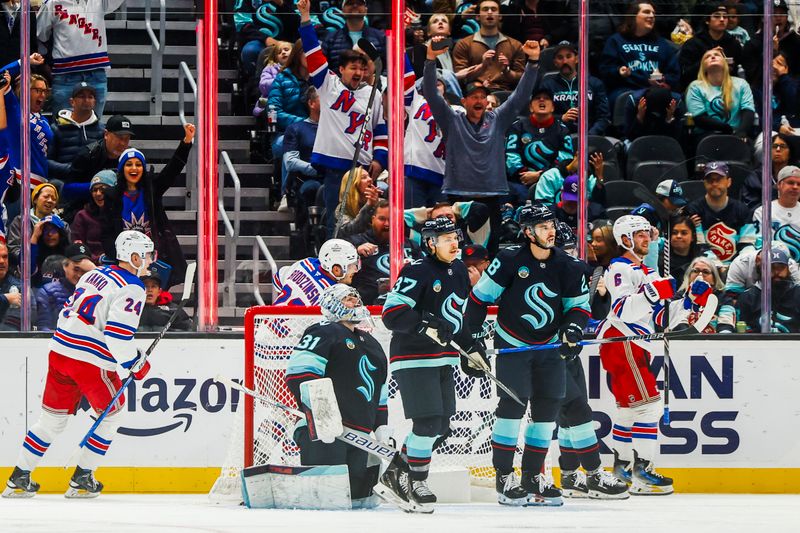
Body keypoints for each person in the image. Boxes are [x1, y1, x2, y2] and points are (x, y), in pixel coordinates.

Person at [2, 231, 153, 498]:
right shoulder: (133, 287)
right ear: (133, 256)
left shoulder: (94, 274)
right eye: (147, 254)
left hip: (60, 351)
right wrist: (135, 363)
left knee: (50, 421)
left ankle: (18, 478)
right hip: (90, 360)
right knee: (112, 416)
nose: (150, 259)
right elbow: (117, 337)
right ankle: (82, 480)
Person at [464, 203, 591, 506]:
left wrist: (573, 329)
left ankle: (533, 475)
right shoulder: (509, 260)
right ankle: (504, 476)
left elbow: (579, 308)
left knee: (547, 411)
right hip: (513, 345)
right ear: (527, 232)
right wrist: (470, 341)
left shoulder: (568, 265)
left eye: (552, 225)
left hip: (549, 348)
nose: (551, 231)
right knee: (512, 407)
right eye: (544, 226)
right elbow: (479, 299)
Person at [597, 215, 708, 495]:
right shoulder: (620, 267)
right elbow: (623, 309)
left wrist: (688, 301)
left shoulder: (644, 270)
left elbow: (659, 317)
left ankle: (622, 470)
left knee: (628, 409)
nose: (647, 239)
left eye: (648, 234)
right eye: (640, 234)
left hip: (632, 342)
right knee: (649, 407)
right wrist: (654, 291)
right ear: (625, 239)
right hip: (623, 339)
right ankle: (642, 472)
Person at [379, 216, 472, 508]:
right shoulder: (416, 270)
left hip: (443, 357)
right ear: (430, 243)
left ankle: (397, 472)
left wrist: (472, 346)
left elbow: (459, 315)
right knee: (429, 422)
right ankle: (416, 480)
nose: (454, 242)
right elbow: (391, 314)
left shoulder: (458, 269)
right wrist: (424, 323)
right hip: (413, 355)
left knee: (442, 426)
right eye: (446, 239)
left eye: (455, 236)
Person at [425, 34, 541, 253]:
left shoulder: (497, 119)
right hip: (458, 198)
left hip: (491, 197)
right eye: (474, 96)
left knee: (490, 253)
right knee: (453, 252)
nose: (479, 100)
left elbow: (520, 97)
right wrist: (430, 60)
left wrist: (533, 63)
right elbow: (431, 94)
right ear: (463, 101)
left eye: (482, 97)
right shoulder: (451, 119)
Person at [285, 283, 388, 508]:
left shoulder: (373, 343)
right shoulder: (323, 330)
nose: (356, 302)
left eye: (357, 297)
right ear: (332, 304)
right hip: (324, 434)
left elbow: (380, 390)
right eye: (348, 299)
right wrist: (321, 418)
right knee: (324, 504)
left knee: (360, 503)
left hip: (359, 438)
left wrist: (382, 427)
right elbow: (299, 374)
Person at [551, 222, 630, 501]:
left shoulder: (579, 270)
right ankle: (594, 474)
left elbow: (594, 312)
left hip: (568, 351)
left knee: (569, 415)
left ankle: (570, 475)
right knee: (576, 409)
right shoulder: (544, 272)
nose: (569, 253)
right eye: (564, 248)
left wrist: (602, 294)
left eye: (570, 247)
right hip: (547, 353)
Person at [297, 0, 387, 237]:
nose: (358, 72)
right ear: (341, 70)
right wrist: (305, 19)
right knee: (336, 220)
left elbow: (380, 129)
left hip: (363, 168)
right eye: (352, 68)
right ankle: (331, 265)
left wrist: (379, 159)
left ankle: (360, 266)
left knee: (364, 220)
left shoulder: (373, 93)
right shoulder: (329, 85)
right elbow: (314, 55)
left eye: (361, 68)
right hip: (336, 165)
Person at [100, 123, 196, 286]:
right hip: (124, 258)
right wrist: (118, 256)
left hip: (153, 255)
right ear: (122, 169)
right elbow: (107, 232)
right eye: (129, 164)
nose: (134, 168)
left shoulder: (153, 189)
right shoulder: (111, 195)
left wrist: (186, 142)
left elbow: (173, 169)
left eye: (138, 164)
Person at [36, 0, 125, 117]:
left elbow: (42, 35)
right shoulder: (52, 2)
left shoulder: (99, 1)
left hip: (95, 74)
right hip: (66, 75)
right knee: (63, 128)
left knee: (94, 129)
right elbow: (40, 34)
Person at [598, 2, 680, 108]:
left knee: (675, 99)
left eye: (653, 13)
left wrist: (661, 78)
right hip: (626, 89)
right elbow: (605, 70)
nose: (651, 16)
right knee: (631, 100)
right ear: (633, 16)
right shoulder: (616, 40)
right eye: (646, 12)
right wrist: (619, 72)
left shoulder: (662, 44)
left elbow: (674, 74)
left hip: (656, 91)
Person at [505, 87, 574, 204]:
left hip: (552, 182)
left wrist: (541, 175)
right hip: (521, 181)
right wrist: (525, 175)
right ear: (531, 107)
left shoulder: (562, 130)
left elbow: (565, 160)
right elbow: (511, 156)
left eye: (546, 98)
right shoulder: (517, 127)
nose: (542, 100)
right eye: (537, 98)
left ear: (553, 107)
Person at [62, 115, 134, 222]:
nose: (123, 143)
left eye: (126, 139)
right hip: (85, 210)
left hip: (119, 213)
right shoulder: (88, 154)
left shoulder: (131, 159)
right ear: (106, 134)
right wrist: (98, 187)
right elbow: (67, 189)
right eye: (119, 138)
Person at [347, 200, 420, 305]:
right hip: (368, 305)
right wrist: (355, 252)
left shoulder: (411, 245)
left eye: (391, 219)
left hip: (405, 302)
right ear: (373, 220)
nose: (387, 224)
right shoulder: (357, 242)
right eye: (382, 219)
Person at [685, 161, 756, 265]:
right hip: (705, 266)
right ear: (704, 183)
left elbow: (747, 244)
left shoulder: (742, 210)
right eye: (710, 180)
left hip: (736, 266)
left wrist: (736, 266)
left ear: (729, 182)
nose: (714, 183)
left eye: (718, 179)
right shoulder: (694, 209)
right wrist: (716, 265)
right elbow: (699, 245)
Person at [267, 40, 310, 212]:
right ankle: (287, 193)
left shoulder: (322, 78)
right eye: (307, 52)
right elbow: (273, 110)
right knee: (287, 143)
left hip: (319, 130)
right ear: (298, 54)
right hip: (288, 131)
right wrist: (301, 124)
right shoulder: (282, 78)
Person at [452, 0, 527, 92]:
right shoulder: (463, 44)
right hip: (475, 92)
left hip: (506, 94)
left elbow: (521, 79)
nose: (490, 12)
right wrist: (482, 67)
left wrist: (507, 71)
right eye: (485, 9)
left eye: (494, 9)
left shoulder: (515, 45)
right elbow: (460, 78)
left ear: (500, 16)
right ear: (477, 17)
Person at [402, 54, 446, 209]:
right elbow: (406, 77)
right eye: (431, 83)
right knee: (413, 223)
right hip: (414, 172)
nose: (435, 86)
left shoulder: (457, 110)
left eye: (439, 84)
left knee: (441, 225)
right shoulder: (416, 102)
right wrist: (401, 51)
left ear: (445, 89)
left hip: (443, 175)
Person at [540, 41, 611, 136]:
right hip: (559, 136)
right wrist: (561, 118)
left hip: (590, 136)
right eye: (560, 58)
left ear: (577, 59)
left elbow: (604, 117)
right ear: (555, 62)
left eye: (569, 56)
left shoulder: (594, 83)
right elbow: (542, 116)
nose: (565, 61)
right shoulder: (547, 86)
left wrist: (589, 136)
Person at [685, 48, 754, 141]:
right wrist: (728, 129)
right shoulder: (695, 87)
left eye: (717, 55)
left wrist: (741, 133)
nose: (713, 56)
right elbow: (699, 118)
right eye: (707, 57)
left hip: (737, 133)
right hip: (707, 135)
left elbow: (748, 111)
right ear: (703, 66)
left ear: (725, 63)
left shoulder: (741, 84)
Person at [273, 238, 360, 306]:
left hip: (266, 324)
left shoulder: (306, 263)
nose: (355, 270)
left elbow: (277, 279)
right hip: (296, 329)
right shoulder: (335, 294)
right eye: (350, 266)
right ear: (336, 269)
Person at [678, 4, 744, 90]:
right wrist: (707, 58)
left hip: (727, 88)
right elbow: (685, 74)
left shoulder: (733, 43)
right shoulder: (693, 44)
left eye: (725, 17)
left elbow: (739, 72)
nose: (722, 19)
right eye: (716, 16)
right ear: (707, 20)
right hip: (699, 88)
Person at [48, 82, 105, 180]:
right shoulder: (56, 128)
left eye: (90, 97)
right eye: (81, 96)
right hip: (63, 182)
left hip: (92, 184)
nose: (86, 100)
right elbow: (47, 161)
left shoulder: (101, 130)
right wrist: (71, 169)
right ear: (72, 101)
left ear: (95, 102)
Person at [735, 247, 800, 332]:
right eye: (771, 268)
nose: (776, 273)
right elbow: (741, 328)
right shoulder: (748, 297)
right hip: (758, 343)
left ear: (788, 269)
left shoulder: (798, 294)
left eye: (781, 268)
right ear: (761, 270)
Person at [34, 243, 95, 332]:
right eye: (76, 269)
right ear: (65, 266)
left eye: (85, 271)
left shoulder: (96, 292)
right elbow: (44, 328)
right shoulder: (47, 292)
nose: (79, 275)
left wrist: (95, 271)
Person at [282, 85, 321, 224]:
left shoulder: (336, 130)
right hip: (307, 179)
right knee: (313, 189)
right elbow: (290, 161)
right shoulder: (296, 128)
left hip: (333, 178)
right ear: (311, 103)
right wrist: (315, 168)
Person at [321, 0, 386, 74]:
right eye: (350, 3)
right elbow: (323, 69)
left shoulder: (380, 37)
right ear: (343, 10)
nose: (355, 6)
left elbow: (389, 66)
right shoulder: (330, 39)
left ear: (366, 10)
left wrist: (381, 83)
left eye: (359, 3)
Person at [7, 182, 63, 267]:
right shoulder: (20, 221)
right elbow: (14, 250)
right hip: (23, 270)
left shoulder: (62, 224)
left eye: (54, 198)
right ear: (35, 199)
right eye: (46, 196)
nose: (50, 200)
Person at [675, 255, 735, 333]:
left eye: (705, 272)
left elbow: (726, 326)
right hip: (684, 341)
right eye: (696, 271)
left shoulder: (724, 299)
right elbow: (679, 324)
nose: (700, 275)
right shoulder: (679, 297)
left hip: (715, 342)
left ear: (714, 279)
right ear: (689, 276)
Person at [753, 165, 800, 261]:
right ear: (779, 185)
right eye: (790, 183)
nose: (795, 187)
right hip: (773, 266)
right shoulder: (762, 212)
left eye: (799, 184)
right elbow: (758, 244)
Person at [71, 170, 116, 263]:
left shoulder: (123, 213)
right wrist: (98, 259)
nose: (98, 194)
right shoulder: (82, 216)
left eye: (102, 189)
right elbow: (77, 248)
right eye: (94, 190)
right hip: (90, 266)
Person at [138, 262, 193, 332]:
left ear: (159, 291)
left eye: (153, 286)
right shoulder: (130, 309)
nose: (150, 290)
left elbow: (189, 329)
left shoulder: (173, 310)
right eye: (146, 286)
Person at [336, 167, 381, 239]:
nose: (370, 179)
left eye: (369, 176)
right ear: (353, 184)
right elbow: (348, 232)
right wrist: (369, 206)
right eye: (364, 177)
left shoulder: (380, 203)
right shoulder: (343, 207)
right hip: (356, 246)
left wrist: (377, 205)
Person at [252, 41, 293, 117]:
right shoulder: (270, 68)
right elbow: (263, 85)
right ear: (276, 58)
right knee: (273, 108)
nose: (283, 52)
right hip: (271, 100)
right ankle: (272, 127)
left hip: (291, 102)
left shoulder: (297, 69)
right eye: (279, 52)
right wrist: (280, 82)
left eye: (286, 50)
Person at [0, 239, 24, 331]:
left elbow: (12, 328)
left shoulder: (19, 287)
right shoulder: (10, 296)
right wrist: (5, 299)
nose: (2, 261)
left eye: (5, 257)